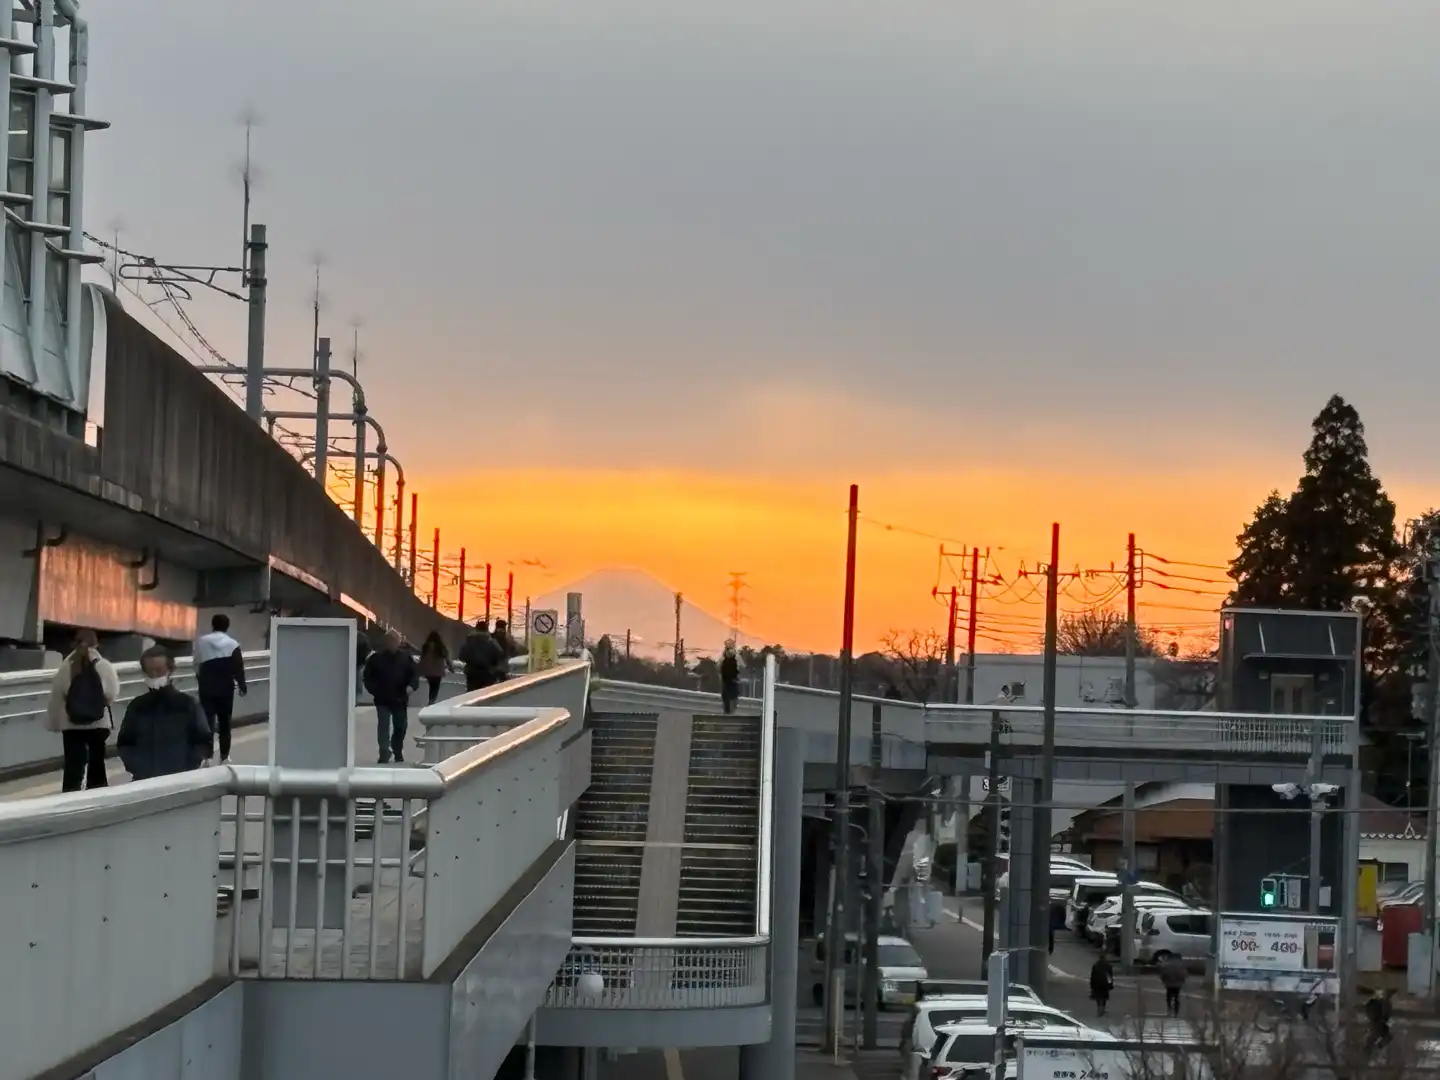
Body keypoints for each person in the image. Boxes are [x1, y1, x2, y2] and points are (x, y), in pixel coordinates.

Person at [115, 645, 213, 781]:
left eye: (159, 671)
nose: (154, 675)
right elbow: (125, 743)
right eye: (150, 671)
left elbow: (203, 741)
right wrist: (137, 767)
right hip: (144, 780)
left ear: (170, 670)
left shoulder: (187, 704)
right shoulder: (137, 706)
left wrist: (189, 767)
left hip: (180, 780)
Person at [46, 629, 121, 792]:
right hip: (98, 722)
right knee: (97, 763)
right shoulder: (104, 665)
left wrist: (54, 723)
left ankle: (70, 795)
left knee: (73, 764)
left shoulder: (66, 666)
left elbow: (58, 696)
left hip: (71, 723)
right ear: (96, 644)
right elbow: (111, 693)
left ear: (74, 643)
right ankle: (97, 793)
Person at [195, 613, 248, 764]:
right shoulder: (233, 644)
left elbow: (196, 663)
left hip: (207, 687)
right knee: (225, 723)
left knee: (207, 723)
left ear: (213, 624)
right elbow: (238, 667)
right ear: (227, 626)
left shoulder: (202, 642)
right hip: (226, 688)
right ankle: (224, 756)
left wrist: (201, 679)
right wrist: (242, 685)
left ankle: (207, 757)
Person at [363, 629, 419, 764]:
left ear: (398, 643)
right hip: (382, 698)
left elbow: (414, 675)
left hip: (400, 698)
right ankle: (384, 751)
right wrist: (374, 690)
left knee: (400, 726)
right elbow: (367, 677)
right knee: (383, 725)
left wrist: (411, 687)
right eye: (389, 641)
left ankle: (397, 749)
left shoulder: (406, 658)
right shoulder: (375, 659)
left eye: (395, 641)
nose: (392, 644)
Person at [457, 620, 505, 692]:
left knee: (471, 694)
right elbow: (500, 654)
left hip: (472, 672)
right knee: (486, 695)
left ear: (476, 628)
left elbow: (461, 656)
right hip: (488, 673)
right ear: (486, 629)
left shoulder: (469, 640)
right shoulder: (491, 641)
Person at [418, 630, 451, 704]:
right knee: (435, 687)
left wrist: (419, 669)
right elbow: (447, 658)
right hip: (438, 672)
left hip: (428, 671)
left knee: (431, 686)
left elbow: (422, 658)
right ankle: (432, 700)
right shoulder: (441, 647)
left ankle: (431, 700)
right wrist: (451, 667)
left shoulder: (426, 646)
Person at [720, 641, 741, 714]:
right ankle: (728, 711)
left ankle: (728, 711)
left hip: (729, 683)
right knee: (729, 698)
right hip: (729, 683)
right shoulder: (725, 660)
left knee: (729, 698)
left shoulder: (734, 659)